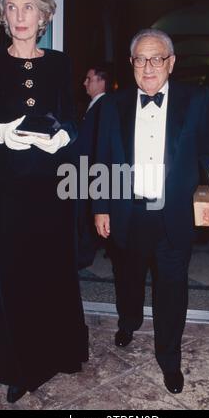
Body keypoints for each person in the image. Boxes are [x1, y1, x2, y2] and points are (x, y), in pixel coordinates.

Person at [0, 0, 88, 403]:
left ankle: (58, 353)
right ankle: (21, 367)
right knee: (15, 278)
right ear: (3, 13)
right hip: (8, 191)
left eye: (30, 7)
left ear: (44, 15)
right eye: (12, 6)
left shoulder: (60, 64)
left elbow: (71, 118)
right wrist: (0, 134)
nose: (21, 15)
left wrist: (64, 136)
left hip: (52, 188)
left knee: (53, 272)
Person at [94, 28, 209, 394]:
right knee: (128, 277)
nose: (148, 67)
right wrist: (101, 208)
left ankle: (169, 358)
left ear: (171, 62)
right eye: (140, 59)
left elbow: (208, 152)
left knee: (172, 289)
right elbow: (102, 160)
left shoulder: (195, 99)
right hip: (128, 211)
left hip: (172, 216)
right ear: (131, 63)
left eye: (156, 58)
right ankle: (128, 321)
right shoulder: (111, 105)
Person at [78, 64, 111, 269]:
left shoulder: (105, 106)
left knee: (88, 213)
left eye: (89, 79)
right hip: (84, 170)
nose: (85, 83)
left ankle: (84, 255)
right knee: (84, 214)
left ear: (101, 81)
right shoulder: (93, 106)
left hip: (91, 171)